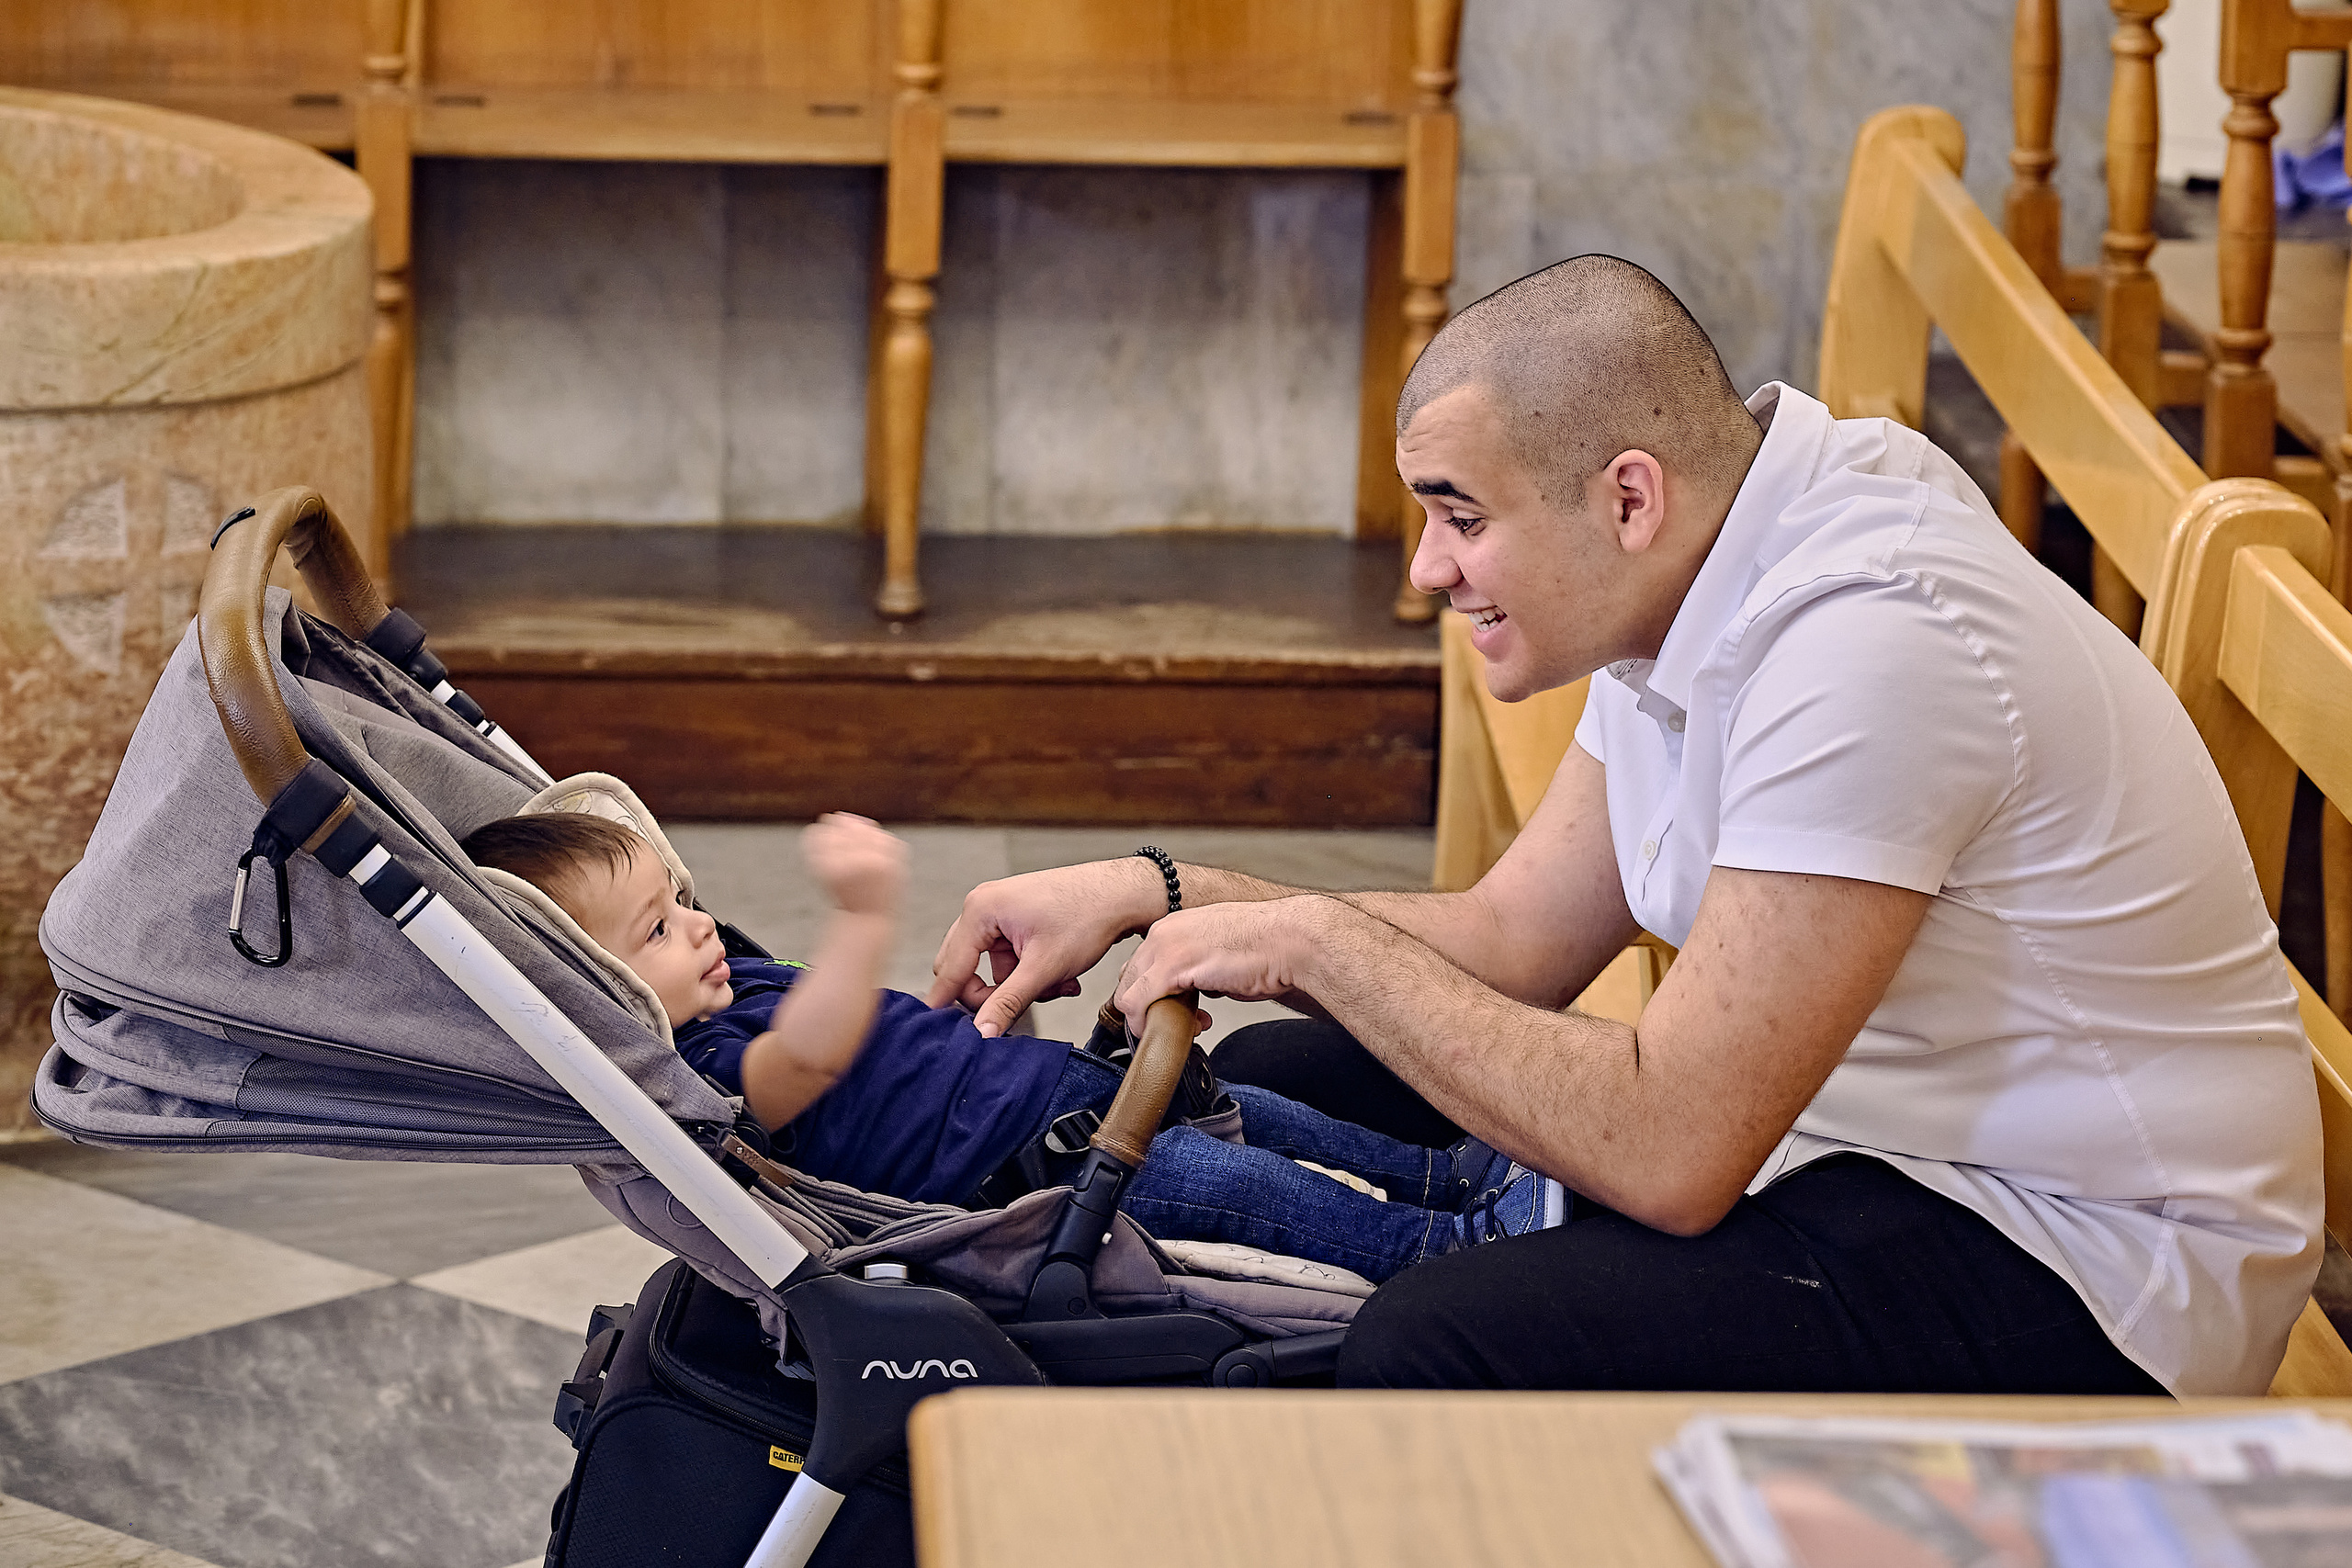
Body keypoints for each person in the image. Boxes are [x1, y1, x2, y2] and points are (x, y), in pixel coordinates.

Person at [924, 254, 2323, 1398]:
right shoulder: (1698, 562)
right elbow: (1514, 936)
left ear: (1629, 494)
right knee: (1309, 1054)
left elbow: (1671, 1146)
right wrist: (1160, 889)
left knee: (1439, 1342)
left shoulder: (1873, 648)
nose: (1427, 570)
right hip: (1862, 1140)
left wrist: (1307, 937)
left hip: (2087, 1265)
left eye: (1460, 517)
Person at [458, 808, 1567, 1282]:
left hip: (1056, 1092)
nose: (696, 925)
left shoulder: (721, 979)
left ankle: (1448, 1173)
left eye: (682, 897)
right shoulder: (703, 1079)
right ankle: (1439, 1252)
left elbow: (894, 1058)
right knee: (1252, 1190)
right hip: (1045, 1174)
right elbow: (816, 1050)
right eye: (655, 930)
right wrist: (859, 917)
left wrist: (986, 1023)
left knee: (1266, 1112)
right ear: (592, 990)